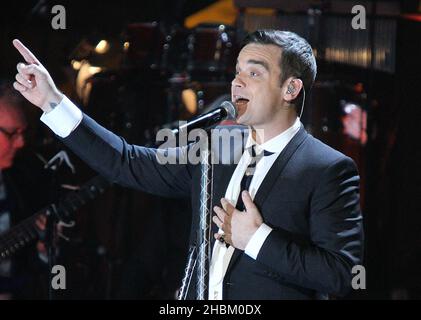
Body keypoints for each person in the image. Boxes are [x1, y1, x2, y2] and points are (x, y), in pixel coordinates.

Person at [12, 29, 363, 299]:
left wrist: (256, 239)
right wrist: (52, 101)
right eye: (237, 71)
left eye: (254, 74)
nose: (237, 81)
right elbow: (126, 161)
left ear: (291, 89)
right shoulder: (216, 150)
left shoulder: (327, 169)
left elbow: (341, 274)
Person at [0, 81, 49, 299]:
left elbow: (30, 272)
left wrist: (44, 251)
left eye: (23, 133)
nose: (20, 143)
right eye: (12, 133)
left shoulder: (21, 183)